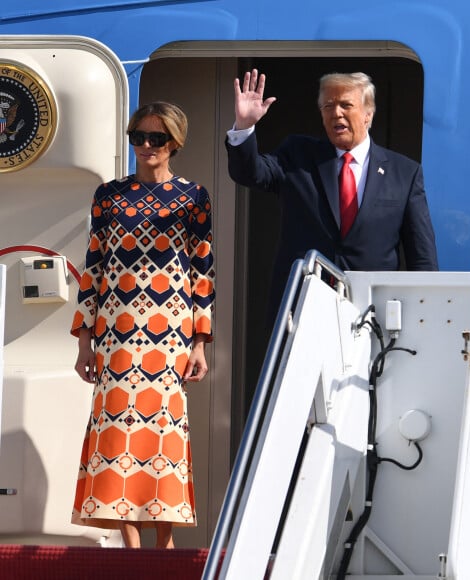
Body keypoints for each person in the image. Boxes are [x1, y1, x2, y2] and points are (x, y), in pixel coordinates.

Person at [71, 101, 215, 549]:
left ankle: (165, 543)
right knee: (118, 433)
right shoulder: (109, 196)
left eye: (158, 138)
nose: (147, 146)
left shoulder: (194, 197)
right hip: (115, 331)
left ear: (175, 143)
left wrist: (200, 342)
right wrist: (84, 339)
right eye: (139, 138)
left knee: (162, 434)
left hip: (171, 331)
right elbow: (93, 265)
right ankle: (132, 545)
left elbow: (203, 273)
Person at [226, 69, 438, 323]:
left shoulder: (404, 173)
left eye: (346, 105)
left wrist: (425, 317)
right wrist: (244, 127)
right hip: (303, 313)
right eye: (328, 105)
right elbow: (251, 174)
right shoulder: (298, 156)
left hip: (372, 318)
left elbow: (421, 255)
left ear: (368, 114)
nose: (336, 112)